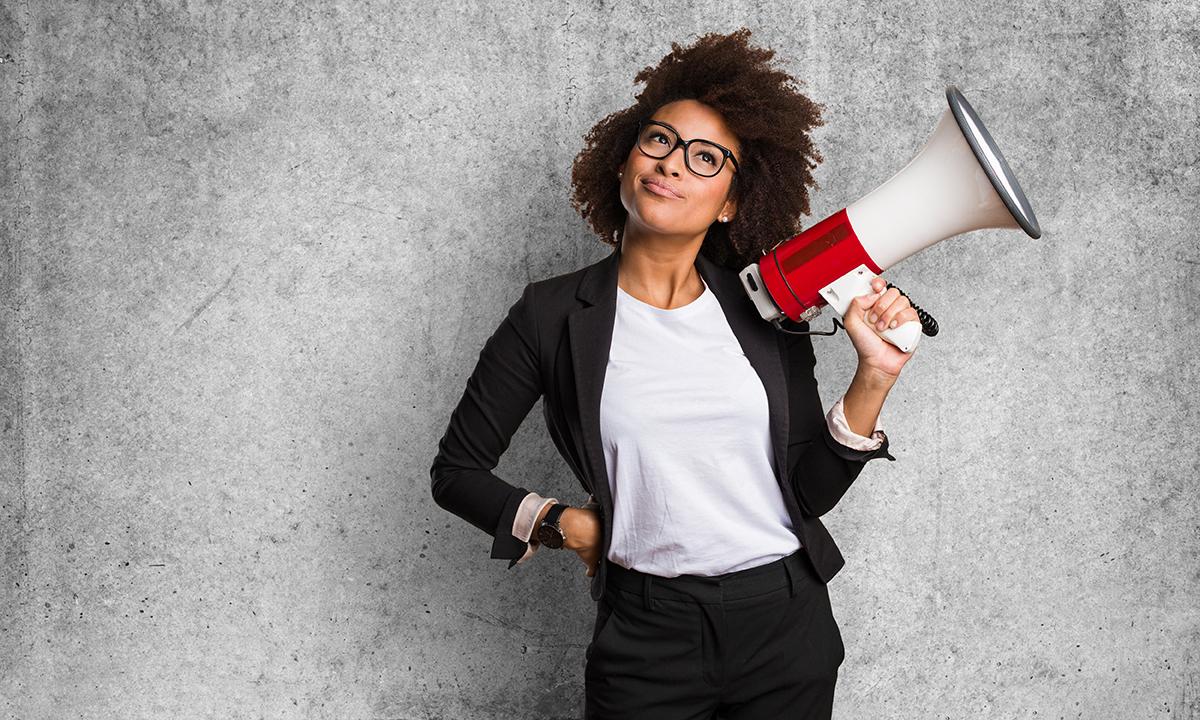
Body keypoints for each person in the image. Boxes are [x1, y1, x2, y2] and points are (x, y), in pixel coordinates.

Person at [430, 28, 919, 719]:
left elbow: (808, 492)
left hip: (786, 625)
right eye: (657, 140)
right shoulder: (551, 313)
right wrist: (561, 524)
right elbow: (456, 472)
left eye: (704, 157)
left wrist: (875, 374)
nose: (671, 165)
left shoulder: (769, 311)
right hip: (646, 634)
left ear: (729, 202)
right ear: (626, 160)